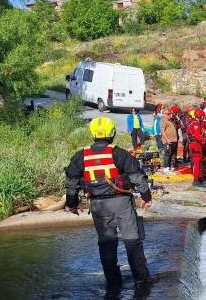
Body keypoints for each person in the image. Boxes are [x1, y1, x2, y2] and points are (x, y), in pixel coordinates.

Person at [64, 117, 153, 288]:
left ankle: (113, 282)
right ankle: (142, 281)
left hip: (98, 206)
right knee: (132, 240)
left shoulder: (80, 156)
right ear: (112, 133)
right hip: (122, 204)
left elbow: (71, 183)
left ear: (92, 134)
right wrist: (146, 197)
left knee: (107, 243)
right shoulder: (119, 153)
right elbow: (138, 178)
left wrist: (72, 203)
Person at [187, 109, 206, 186]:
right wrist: (205, 140)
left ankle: (199, 177)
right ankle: (195, 180)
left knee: (199, 162)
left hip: (196, 144)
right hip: (195, 145)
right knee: (196, 162)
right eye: (202, 116)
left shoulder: (195, 123)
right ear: (199, 116)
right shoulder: (195, 124)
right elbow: (197, 136)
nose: (203, 118)